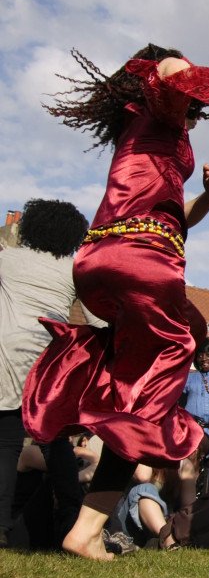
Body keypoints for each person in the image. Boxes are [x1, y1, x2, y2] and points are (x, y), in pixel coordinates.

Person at [22, 44, 209, 560]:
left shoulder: (144, 135)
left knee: (134, 385)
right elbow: (168, 77)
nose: (195, 110)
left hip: (106, 255)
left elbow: (171, 215)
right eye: (190, 101)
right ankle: (86, 522)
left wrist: (208, 198)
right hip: (144, 261)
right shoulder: (155, 106)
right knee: (152, 401)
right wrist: (172, 65)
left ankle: (88, 520)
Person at [0, 199, 90, 549]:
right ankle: (71, 517)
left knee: (6, 445)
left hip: (6, 353)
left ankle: (2, 526)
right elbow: (97, 321)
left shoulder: (7, 258)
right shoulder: (75, 270)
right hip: (48, 359)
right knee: (54, 443)